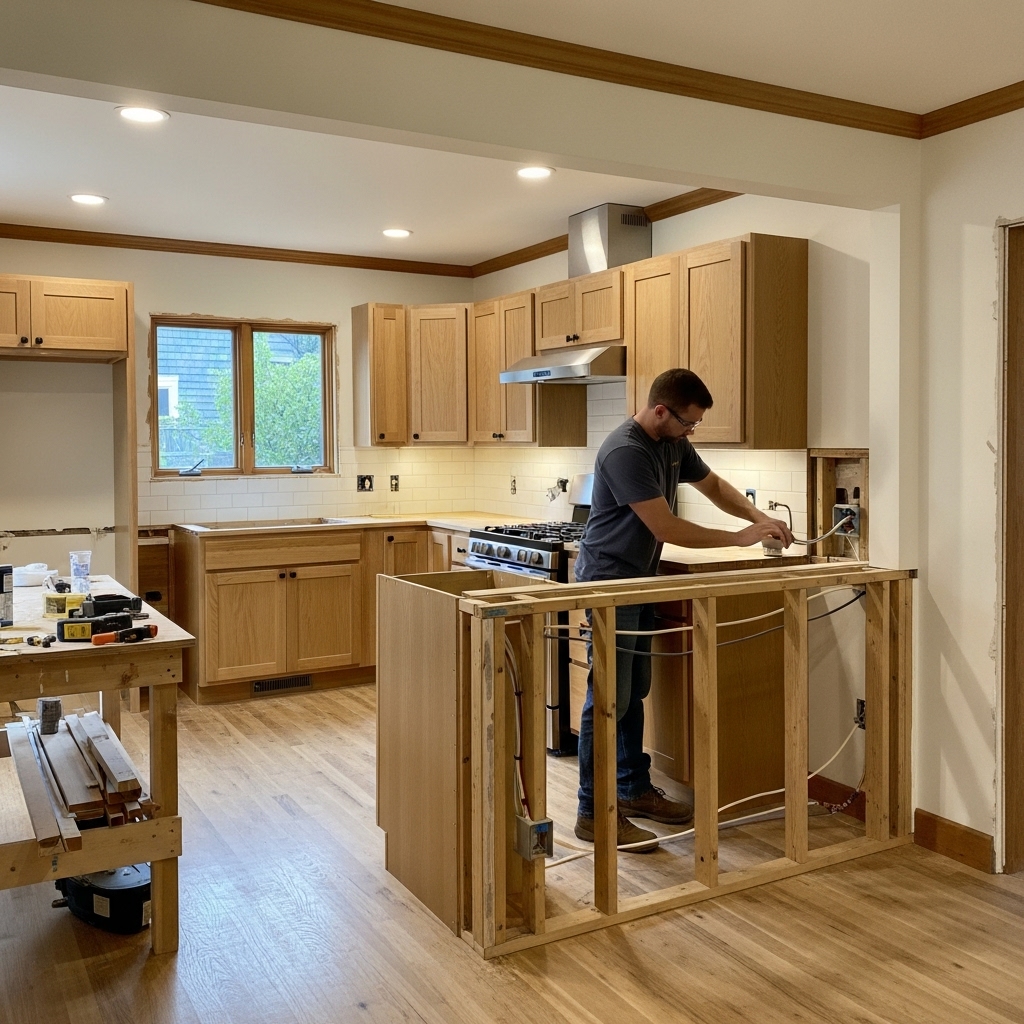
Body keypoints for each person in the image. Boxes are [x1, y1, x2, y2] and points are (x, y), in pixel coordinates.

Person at [573, 368, 794, 849]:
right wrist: (739, 539)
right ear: (660, 411)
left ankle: (631, 790)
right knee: (610, 696)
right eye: (687, 423)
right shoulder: (626, 450)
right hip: (609, 582)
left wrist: (759, 517)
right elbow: (667, 528)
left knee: (634, 691)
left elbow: (713, 486)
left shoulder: (671, 443)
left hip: (638, 580)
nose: (690, 432)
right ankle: (592, 810)